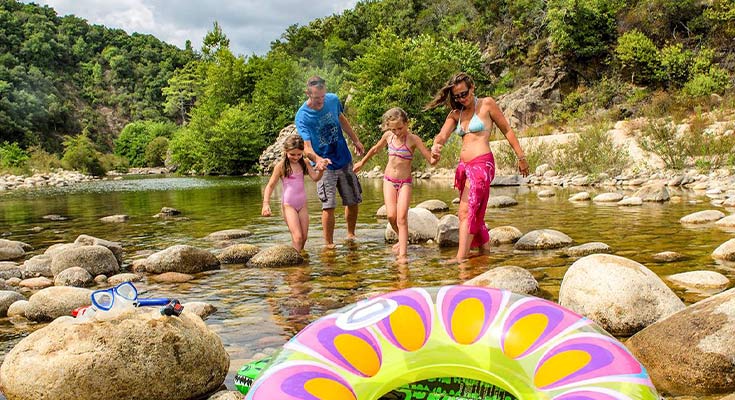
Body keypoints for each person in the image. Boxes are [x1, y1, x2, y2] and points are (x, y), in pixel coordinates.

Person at [424, 72, 530, 263]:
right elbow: (441, 136)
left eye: (464, 94)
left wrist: (521, 156)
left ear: (472, 88)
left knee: (467, 210)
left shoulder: (487, 104)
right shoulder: (456, 114)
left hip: (483, 164)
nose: (461, 99)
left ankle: (461, 258)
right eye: (457, 96)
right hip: (464, 167)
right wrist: (436, 146)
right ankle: (484, 254)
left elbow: (507, 129)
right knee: (475, 209)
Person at [353, 107, 438, 262]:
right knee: (391, 216)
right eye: (393, 129)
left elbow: (431, 160)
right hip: (389, 181)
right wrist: (362, 162)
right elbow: (375, 149)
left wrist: (436, 156)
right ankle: (401, 238)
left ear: (407, 123)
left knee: (402, 218)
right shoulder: (388, 136)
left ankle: (403, 255)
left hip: (405, 183)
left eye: (400, 128)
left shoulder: (414, 139)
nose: (397, 132)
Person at [295, 75, 365, 248]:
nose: (320, 101)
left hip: (344, 158)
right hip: (324, 166)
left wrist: (355, 140)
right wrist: (318, 160)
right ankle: (329, 244)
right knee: (329, 205)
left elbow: (341, 119)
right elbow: (307, 147)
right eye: (316, 98)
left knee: (353, 200)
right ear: (307, 93)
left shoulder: (333, 100)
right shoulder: (302, 116)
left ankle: (351, 235)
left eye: (322, 97)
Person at [261, 134, 324, 251]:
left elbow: (315, 178)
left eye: (299, 154)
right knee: (298, 237)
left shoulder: (304, 163)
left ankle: (300, 258)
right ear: (286, 151)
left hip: (302, 205)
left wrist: (321, 170)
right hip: (288, 205)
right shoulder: (281, 166)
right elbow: (270, 186)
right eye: (292, 154)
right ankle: (296, 266)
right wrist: (266, 204)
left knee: (304, 237)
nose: (296, 157)